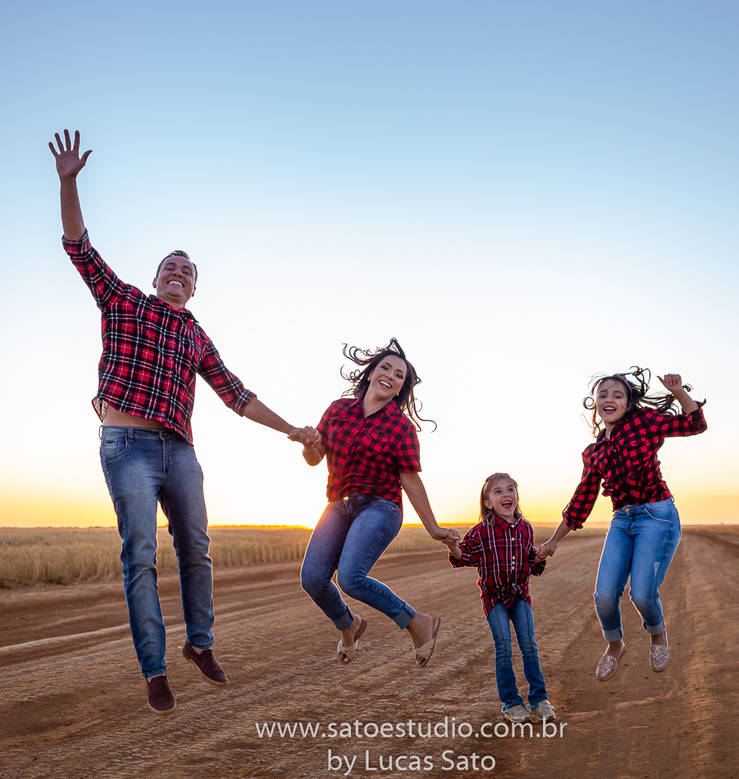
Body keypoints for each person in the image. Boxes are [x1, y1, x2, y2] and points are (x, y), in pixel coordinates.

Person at [49, 129, 314, 716]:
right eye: (171, 267)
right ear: (156, 277)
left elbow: (237, 396)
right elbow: (78, 245)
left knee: (195, 546)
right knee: (139, 551)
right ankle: (155, 669)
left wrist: (295, 429)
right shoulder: (122, 301)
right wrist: (68, 182)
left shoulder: (196, 335)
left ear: (195, 289)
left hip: (181, 452)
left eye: (188, 273)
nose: (178, 274)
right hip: (127, 446)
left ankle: (201, 644)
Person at [536, 368, 706, 682]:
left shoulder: (644, 422)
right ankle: (615, 645)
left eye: (618, 395)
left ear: (629, 403)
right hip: (622, 520)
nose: (609, 399)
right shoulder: (595, 452)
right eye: (603, 395)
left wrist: (679, 391)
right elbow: (582, 500)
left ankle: (657, 635)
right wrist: (555, 540)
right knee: (603, 595)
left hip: (656, 515)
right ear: (595, 403)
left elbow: (695, 423)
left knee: (642, 594)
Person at [297, 338, 458, 667]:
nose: (391, 376)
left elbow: (410, 479)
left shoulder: (401, 428)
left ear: (401, 388)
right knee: (312, 579)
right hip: (338, 505)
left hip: (380, 506)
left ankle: (418, 623)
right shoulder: (338, 410)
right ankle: (349, 625)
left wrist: (433, 527)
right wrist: (309, 444)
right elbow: (315, 458)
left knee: (351, 577)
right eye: (385, 367)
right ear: (370, 373)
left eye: (399, 375)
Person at [446, 473, 555, 724]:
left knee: (529, 645)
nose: (506, 495)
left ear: (517, 496)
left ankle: (539, 700)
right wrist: (452, 546)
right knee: (504, 646)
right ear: (488, 503)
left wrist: (541, 555)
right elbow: (464, 556)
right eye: (498, 492)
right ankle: (511, 703)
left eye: (510, 489)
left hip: (519, 595)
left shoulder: (526, 528)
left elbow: (530, 561)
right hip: (493, 598)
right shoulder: (481, 531)